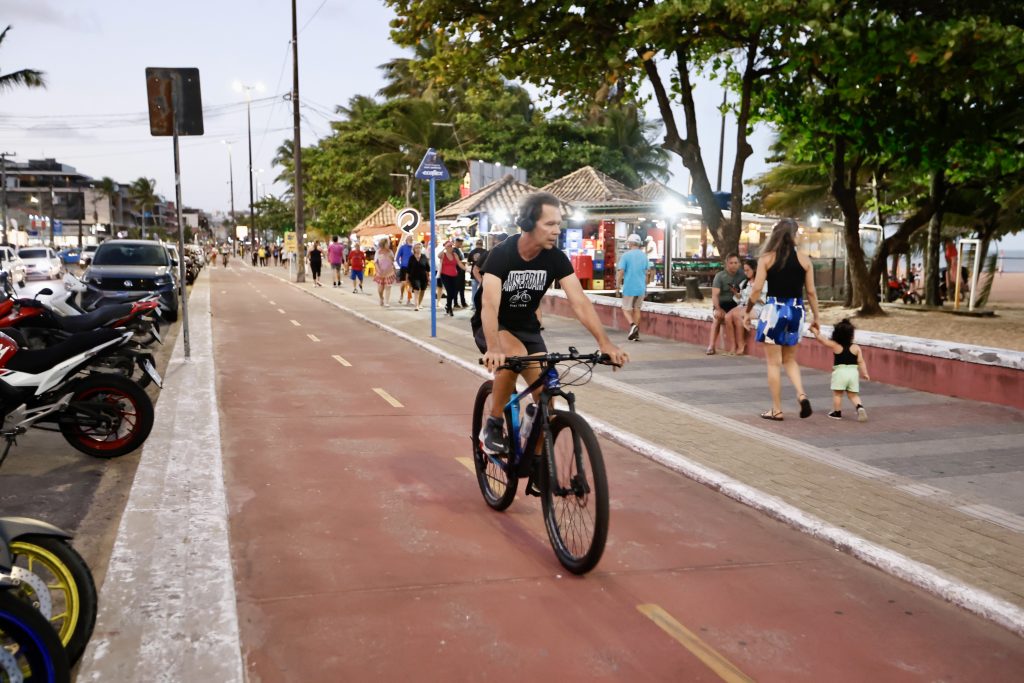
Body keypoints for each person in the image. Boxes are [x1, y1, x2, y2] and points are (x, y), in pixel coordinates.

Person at [477, 192, 629, 456]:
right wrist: (493, 348)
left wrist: (605, 343)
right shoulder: (502, 255)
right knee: (514, 357)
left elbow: (579, 302)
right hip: (496, 325)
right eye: (549, 224)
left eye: (558, 224)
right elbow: (489, 304)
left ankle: (537, 464)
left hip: (528, 328)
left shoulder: (555, 258)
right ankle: (493, 423)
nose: (556, 230)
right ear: (527, 223)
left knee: (547, 400)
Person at [743, 218, 821, 421]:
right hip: (796, 310)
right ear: (794, 235)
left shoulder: (766, 259)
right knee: (790, 360)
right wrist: (816, 317)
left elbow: (757, 288)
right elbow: (811, 292)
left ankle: (776, 409)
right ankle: (801, 395)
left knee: (773, 363)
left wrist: (748, 310)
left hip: (774, 310)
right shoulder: (805, 260)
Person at [813, 319, 870, 421]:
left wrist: (815, 331)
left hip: (840, 372)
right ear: (851, 335)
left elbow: (822, 340)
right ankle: (859, 407)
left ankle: (837, 413)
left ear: (836, 334)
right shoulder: (856, 347)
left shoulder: (836, 345)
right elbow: (861, 361)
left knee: (838, 394)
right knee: (853, 395)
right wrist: (865, 373)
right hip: (853, 373)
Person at [706, 253, 745, 355]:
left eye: (736, 263)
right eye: (731, 263)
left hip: (736, 304)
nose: (733, 265)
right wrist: (718, 308)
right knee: (717, 317)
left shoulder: (743, 275)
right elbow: (715, 295)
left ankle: (738, 346)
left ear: (739, 264)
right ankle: (711, 346)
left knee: (736, 317)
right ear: (726, 264)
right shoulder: (720, 276)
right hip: (722, 304)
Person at [617, 233, 651, 342]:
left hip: (629, 286)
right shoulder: (644, 256)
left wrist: (617, 286)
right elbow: (647, 273)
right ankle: (636, 334)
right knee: (637, 309)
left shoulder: (626, 256)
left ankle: (632, 325)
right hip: (641, 287)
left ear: (630, 243)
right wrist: (645, 287)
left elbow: (621, 271)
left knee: (625, 309)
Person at [726, 259, 763, 355]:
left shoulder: (762, 282)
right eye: (744, 270)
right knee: (727, 317)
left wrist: (754, 296)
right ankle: (733, 346)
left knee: (736, 315)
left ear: (755, 269)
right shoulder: (744, 283)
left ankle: (741, 344)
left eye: (748, 270)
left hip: (756, 307)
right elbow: (741, 299)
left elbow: (764, 300)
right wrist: (736, 293)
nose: (746, 273)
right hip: (743, 305)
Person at [439, 240, 468, 317]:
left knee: (454, 292)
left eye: (451, 246)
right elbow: (439, 255)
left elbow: (459, 263)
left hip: (454, 275)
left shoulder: (455, 254)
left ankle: (448, 306)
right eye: (449, 246)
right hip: (445, 275)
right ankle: (450, 309)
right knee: (450, 292)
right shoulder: (443, 254)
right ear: (446, 247)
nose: (451, 248)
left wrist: (467, 269)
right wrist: (444, 248)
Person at [405, 241, 431, 310]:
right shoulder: (411, 258)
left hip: (423, 277)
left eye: (419, 248)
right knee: (417, 289)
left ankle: (419, 304)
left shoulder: (424, 257)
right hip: (414, 277)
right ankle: (416, 305)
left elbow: (428, 269)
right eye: (416, 248)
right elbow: (408, 269)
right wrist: (407, 279)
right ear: (414, 249)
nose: (418, 249)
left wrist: (428, 278)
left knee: (422, 290)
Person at [373, 237, 397, 306]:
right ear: (383, 244)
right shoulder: (378, 252)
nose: (388, 245)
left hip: (389, 272)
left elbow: (393, 260)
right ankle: (381, 298)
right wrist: (378, 269)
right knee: (380, 289)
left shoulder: (390, 251)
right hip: (380, 272)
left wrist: (391, 257)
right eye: (387, 243)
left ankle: (387, 302)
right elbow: (375, 262)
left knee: (388, 287)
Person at [467, 237, 488, 307]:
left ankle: (474, 305)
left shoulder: (472, 252)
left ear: (476, 244)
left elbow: (469, 262)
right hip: (482, 273)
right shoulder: (485, 252)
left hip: (474, 273)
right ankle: (482, 304)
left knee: (474, 290)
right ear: (482, 244)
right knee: (482, 290)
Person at [395, 234, 415, 305]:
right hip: (404, 267)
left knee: (410, 284)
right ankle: (401, 296)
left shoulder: (413, 248)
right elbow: (397, 258)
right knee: (403, 283)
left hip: (412, 268)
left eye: (411, 239)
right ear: (406, 240)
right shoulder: (402, 247)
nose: (410, 240)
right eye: (409, 239)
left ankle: (409, 299)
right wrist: (401, 265)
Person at [453, 237, 469, 308]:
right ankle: (456, 303)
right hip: (457, 271)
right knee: (456, 288)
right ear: (456, 242)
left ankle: (463, 302)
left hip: (461, 271)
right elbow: (456, 261)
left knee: (462, 288)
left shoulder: (459, 250)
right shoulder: (454, 250)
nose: (461, 244)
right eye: (460, 243)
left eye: (461, 243)